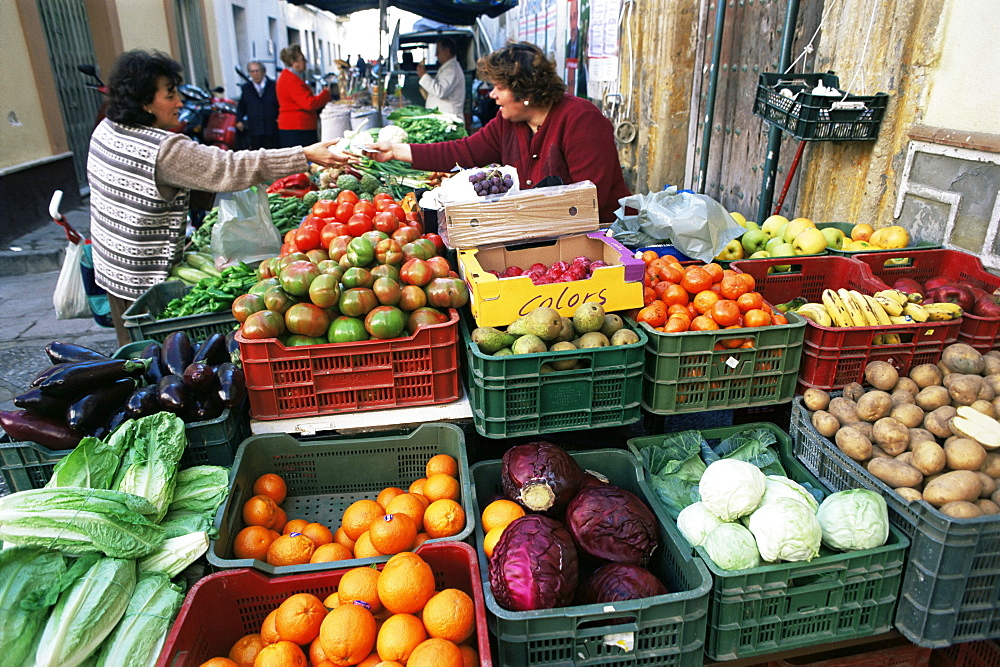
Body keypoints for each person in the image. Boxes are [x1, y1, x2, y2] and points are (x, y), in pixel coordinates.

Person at [87, 49, 355, 345]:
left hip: (111, 265)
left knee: (133, 350)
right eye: (170, 95)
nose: (179, 103)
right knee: (156, 355)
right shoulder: (163, 149)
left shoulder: (107, 130)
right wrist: (303, 155)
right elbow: (229, 167)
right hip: (147, 277)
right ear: (144, 102)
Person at [369, 42, 629, 224]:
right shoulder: (509, 122)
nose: (492, 95)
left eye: (499, 87)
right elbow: (462, 151)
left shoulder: (581, 120)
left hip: (603, 235)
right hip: (543, 233)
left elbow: (587, 199)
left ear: (525, 92)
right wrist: (395, 151)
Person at [276, 44, 331, 148]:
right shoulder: (291, 79)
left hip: (295, 126)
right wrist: (325, 94)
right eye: (302, 59)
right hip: (297, 127)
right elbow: (309, 103)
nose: (305, 62)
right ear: (294, 62)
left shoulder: (288, 76)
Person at [236, 60, 279, 149]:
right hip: (255, 130)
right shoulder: (247, 88)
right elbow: (241, 106)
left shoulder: (273, 86)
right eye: (252, 71)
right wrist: (239, 120)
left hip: (272, 129)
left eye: (257, 71)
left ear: (263, 71)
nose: (255, 74)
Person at [417, 37, 465, 117]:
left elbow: (441, 92)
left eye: (438, 51)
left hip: (449, 119)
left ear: (447, 52)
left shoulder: (451, 69)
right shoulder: (447, 68)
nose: (436, 55)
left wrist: (423, 76)